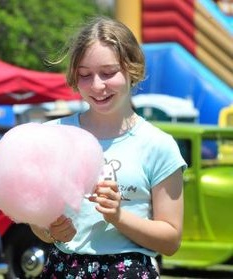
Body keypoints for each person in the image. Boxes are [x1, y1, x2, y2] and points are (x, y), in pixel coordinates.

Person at [30, 16, 186, 278]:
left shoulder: (158, 145)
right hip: (62, 268)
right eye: (85, 75)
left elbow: (170, 241)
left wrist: (118, 217)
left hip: (130, 271)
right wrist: (48, 230)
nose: (97, 85)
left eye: (108, 72)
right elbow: (37, 220)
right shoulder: (53, 135)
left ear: (132, 68)